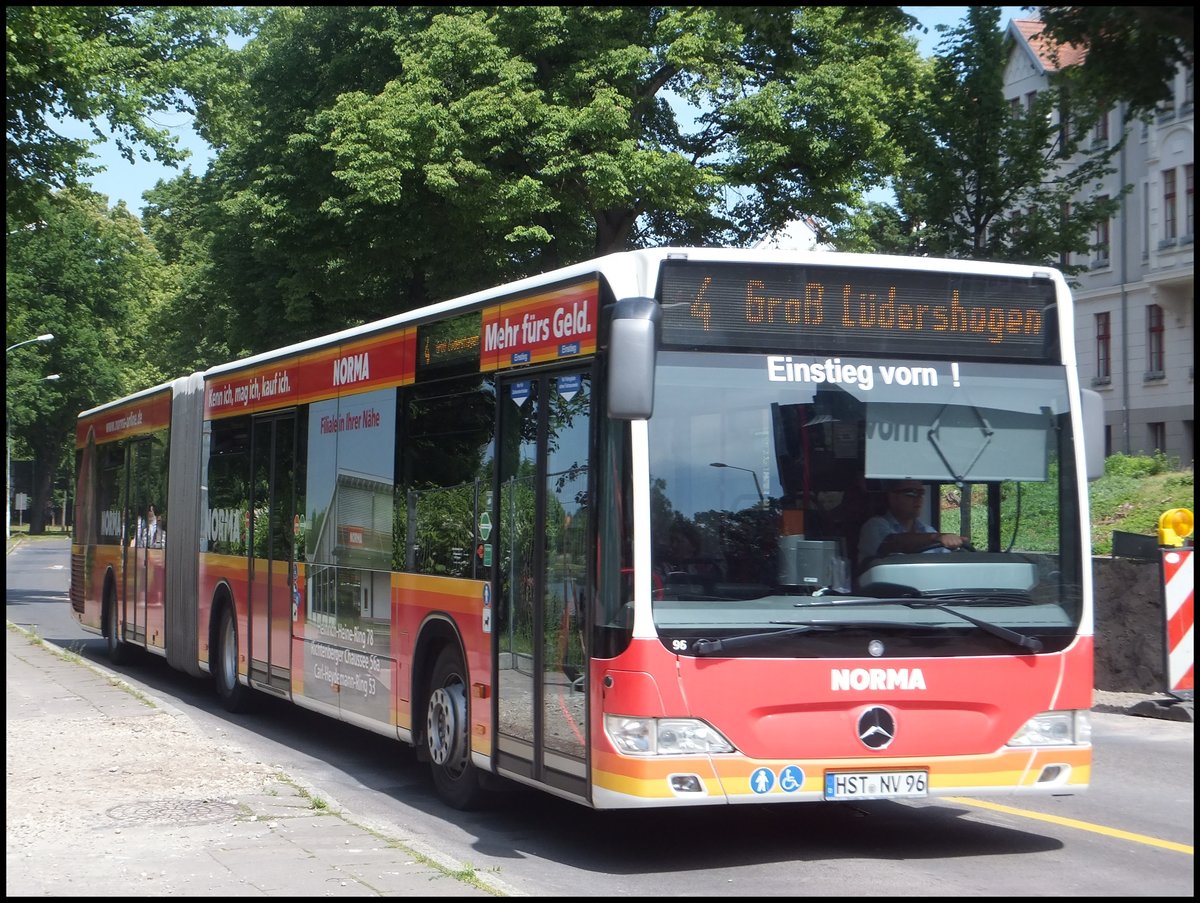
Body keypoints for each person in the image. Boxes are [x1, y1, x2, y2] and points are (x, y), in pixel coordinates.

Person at [856, 479, 968, 568]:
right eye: (911, 493)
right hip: (888, 594)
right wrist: (937, 537)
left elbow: (944, 562)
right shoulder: (874, 526)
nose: (918, 498)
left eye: (921, 493)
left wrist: (955, 548)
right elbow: (892, 544)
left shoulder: (927, 530)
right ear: (892, 497)